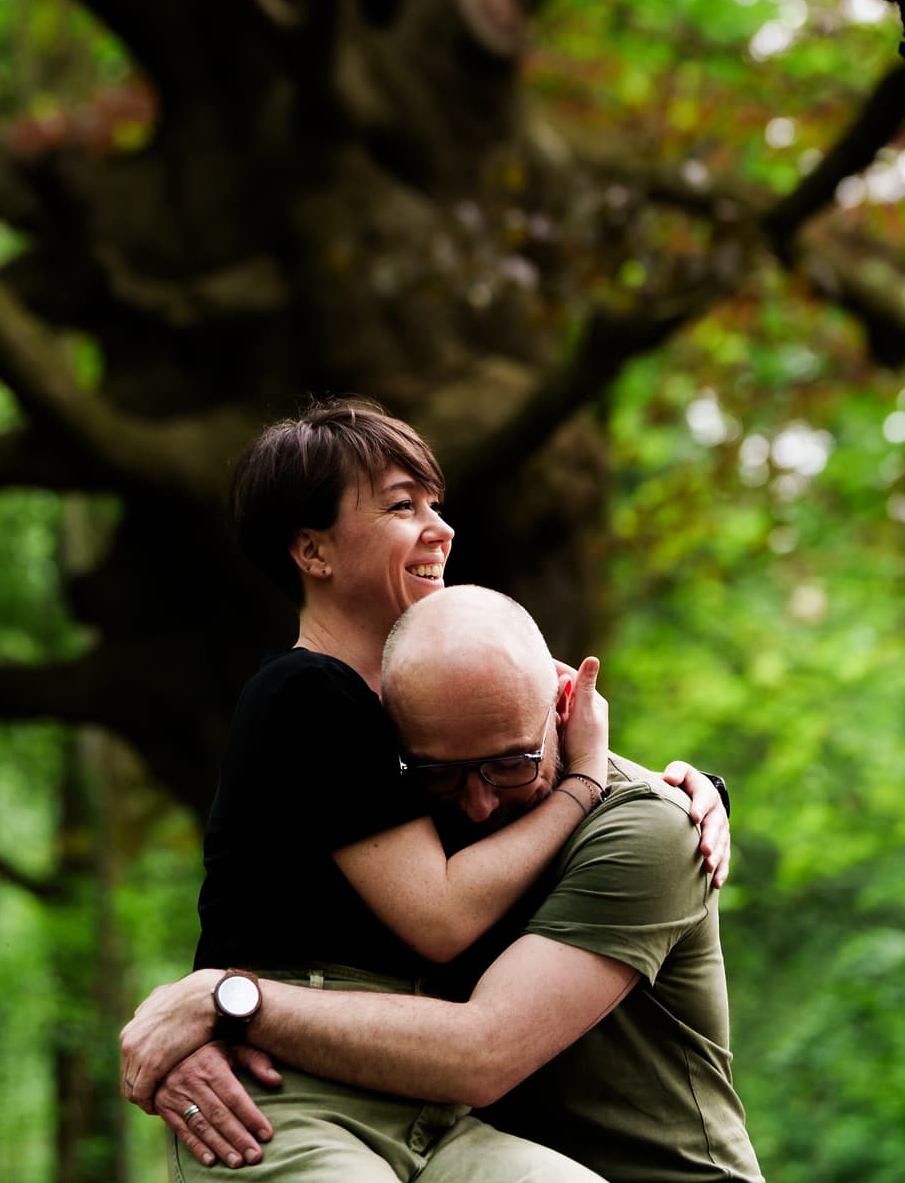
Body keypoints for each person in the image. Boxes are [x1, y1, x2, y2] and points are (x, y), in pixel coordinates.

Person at [122, 400, 729, 1180]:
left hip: (432, 1106)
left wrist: (689, 795)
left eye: (434, 504)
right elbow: (442, 918)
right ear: (312, 550)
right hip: (287, 1084)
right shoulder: (307, 693)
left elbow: (548, 763)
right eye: (401, 507)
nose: (439, 529)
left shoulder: (418, 711)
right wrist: (583, 783)